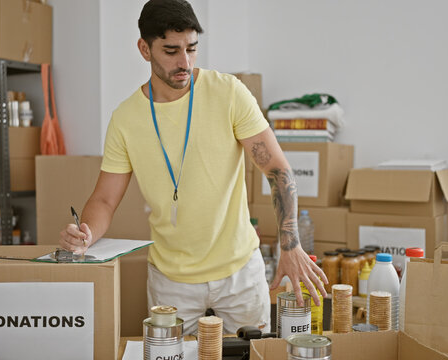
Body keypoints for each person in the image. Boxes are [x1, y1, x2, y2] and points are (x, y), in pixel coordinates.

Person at [59, 0, 327, 335]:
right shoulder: (126, 119)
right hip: (171, 281)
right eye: (170, 50)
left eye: (192, 49)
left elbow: (278, 171)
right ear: (144, 48)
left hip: (239, 273)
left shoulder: (228, 93)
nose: (184, 62)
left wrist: (291, 244)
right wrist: (85, 236)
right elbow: (104, 200)